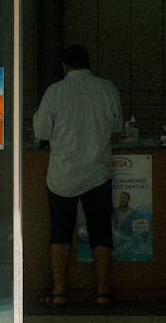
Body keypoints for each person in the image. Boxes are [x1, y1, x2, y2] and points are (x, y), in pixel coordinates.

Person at [33, 43, 123, 308]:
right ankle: (103, 293)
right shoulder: (107, 88)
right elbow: (117, 126)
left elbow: (41, 132)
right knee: (101, 232)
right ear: (88, 63)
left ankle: (60, 292)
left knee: (60, 232)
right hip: (98, 173)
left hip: (63, 175)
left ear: (64, 65)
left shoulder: (55, 91)